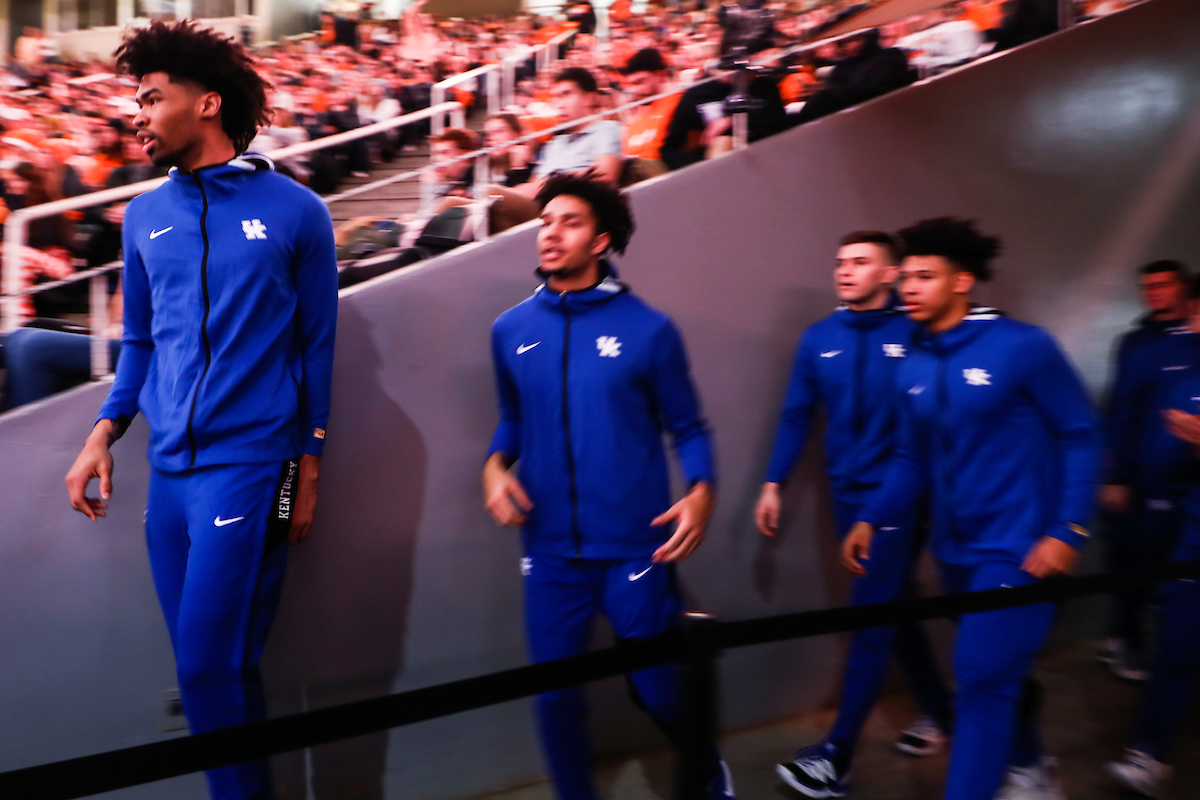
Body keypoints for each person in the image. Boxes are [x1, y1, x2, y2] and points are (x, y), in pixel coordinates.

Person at [62, 22, 338, 800]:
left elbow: (318, 347)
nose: (138, 115)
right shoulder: (144, 218)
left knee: (205, 668)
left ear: (207, 102)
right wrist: (103, 432)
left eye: (152, 98)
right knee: (225, 668)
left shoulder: (297, 211)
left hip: (256, 467)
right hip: (170, 475)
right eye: (136, 100)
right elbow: (141, 342)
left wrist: (308, 464)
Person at [482, 173, 734, 800]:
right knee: (555, 696)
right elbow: (512, 420)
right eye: (545, 222)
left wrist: (702, 492)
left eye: (568, 222)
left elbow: (690, 426)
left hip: (634, 546)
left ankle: (705, 769)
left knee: (658, 688)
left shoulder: (650, 330)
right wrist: (492, 467)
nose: (550, 233)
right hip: (548, 552)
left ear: (600, 241)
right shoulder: (510, 330)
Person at [842, 218, 1100, 800]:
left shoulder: (1023, 347)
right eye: (905, 277)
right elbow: (911, 457)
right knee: (999, 673)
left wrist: (1068, 529)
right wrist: (871, 517)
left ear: (962, 282)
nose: (908, 287)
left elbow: (1081, 435)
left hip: (1020, 549)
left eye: (924, 277)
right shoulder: (912, 360)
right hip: (955, 553)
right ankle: (1032, 768)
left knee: (980, 684)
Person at [762, 232, 953, 798]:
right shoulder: (819, 336)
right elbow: (797, 414)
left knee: (871, 618)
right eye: (841, 262)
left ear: (891, 274)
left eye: (861, 263)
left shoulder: (917, 333)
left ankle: (837, 758)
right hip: (846, 499)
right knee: (891, 607)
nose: (845, 271)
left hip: (898, 499)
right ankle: (944, 713)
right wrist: (773, 483)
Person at [1106, 273, 1200, 798]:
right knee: (1177, 638)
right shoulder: (1172, 358)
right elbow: (1139, 418)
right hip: (1192, 521)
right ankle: (1150, 750)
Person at [1100, 260, 1193, 682]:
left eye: (1162, 285)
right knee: (1136, 563)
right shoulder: (1136, 343)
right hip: (1145, 476)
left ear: (1183, 289)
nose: (1153, 292)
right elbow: (1120, 408)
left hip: (1189, 481)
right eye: (1147, 287)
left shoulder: (1193, 341)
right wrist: (1114, 474)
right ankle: (1126, 641)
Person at [515, 67, 624, 197]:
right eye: (556, 97)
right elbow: (533, 186)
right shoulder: (556, 142)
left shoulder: (606, 130)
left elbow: (605, 177)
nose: (559, 104)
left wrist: (550, 183)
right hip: (539, 203)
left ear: (589, 99)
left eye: (566, 95)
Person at [618, 47, 681, 183]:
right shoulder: (636, 116)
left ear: (660, 76)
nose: (636, 90)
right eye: (632, 84)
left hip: (669, 177)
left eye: (640, 82)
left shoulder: (680, 102)